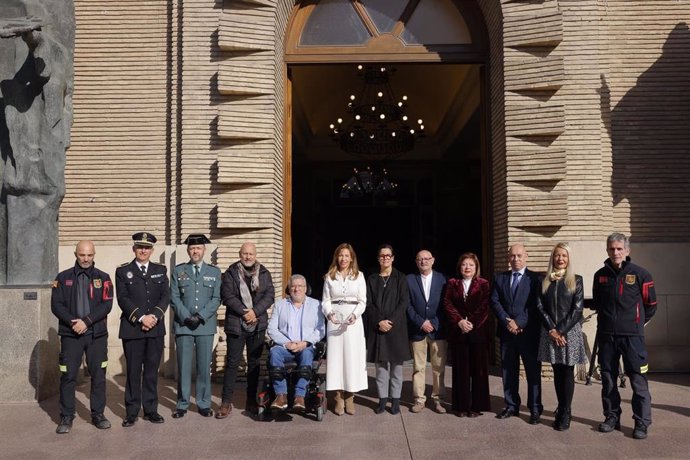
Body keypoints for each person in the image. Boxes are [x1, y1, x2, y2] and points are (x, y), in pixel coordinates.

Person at [593, 233, 657, 440]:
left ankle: (641, 422)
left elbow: (651, 305)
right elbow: (598, 304)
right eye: (612, 249)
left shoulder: (641, 274)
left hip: (632, 338)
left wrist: (636, 324)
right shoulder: (600, 275)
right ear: (607, 250)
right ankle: (612, 417)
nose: (616, 252)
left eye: (620, 248)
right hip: (607, 337)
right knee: (608, 379)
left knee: (638, 381)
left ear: (627, 251)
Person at [51, 240, 113, 434]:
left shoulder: (104, 278)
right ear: (75, 254)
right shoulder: (62, 278)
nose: (86, 259)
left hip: (96, 335)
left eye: (89, 255)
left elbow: (107, 305)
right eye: (82, 255)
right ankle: (66, 416)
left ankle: (98, 414)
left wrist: (86, 321)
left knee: (99, 376)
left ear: (94, 254)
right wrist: (73, 322)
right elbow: (57, 305)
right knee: (68, 376)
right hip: (71, 335)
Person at [116, 232, 170, 427]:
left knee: (151, 372)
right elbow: (123, 298)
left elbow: (165, 296)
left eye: (147, 248)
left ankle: (150, 410)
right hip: (133, 329)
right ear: (134, 249)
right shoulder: (123, 271)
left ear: (152, 250)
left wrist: (154, 316)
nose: (143, 250)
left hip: (155, 329)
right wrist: (141, 318)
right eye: (140, 247)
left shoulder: (160, 270)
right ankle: (131, 412)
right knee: (132, 372)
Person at [217, 242, 274, 419]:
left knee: (254, 364)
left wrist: (255, 312)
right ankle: (226, 402)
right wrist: (245, 312)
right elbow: (227, 296)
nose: (248, 256)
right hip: (236, 324)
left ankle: (251, 400)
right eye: (245, 253)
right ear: (239, 254)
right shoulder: (231, 272)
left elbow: (269, 295)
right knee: (232, 364)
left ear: (255, 255)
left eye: (251, 254)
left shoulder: (264, 273)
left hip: (257, 325)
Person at [535, 243, 586, 431]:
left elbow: (577, 309)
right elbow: (539, 306)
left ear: (568, 258)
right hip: (550, 331)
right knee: (557, 371)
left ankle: (566, 411)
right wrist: (552, 329)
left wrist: (561, 330)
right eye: (557, 255)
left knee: (567, 372)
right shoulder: (544, 280)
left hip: (569, 332)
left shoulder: (576, 280)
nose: (560, 259)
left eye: (564, 255)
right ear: (552, 258)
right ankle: (560, 406)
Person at [491, 243, 543, 424]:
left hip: (528, 333)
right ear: (508, 258)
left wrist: (519, 323)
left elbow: (535, 305)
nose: (516, 259)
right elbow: (495, 301)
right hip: (507, 333)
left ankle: (535, 408)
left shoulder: (535, 279)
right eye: (513, 256)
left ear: (526, 256)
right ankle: (511, 405)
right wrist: (507, 321)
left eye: (520, 255)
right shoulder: (500, 278)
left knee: (533, 373)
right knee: (508, 371)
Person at [170, 234, 221, 418]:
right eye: (192, 248)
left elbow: (216, 299)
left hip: (205, 326)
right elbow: (174, 297)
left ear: (204, 250)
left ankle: (203, 403)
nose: (195, 251)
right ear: (188, 250)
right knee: (184, 367)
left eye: (198, 248)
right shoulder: (179, 271)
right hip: (184, 325)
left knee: (203, 367)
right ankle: (182, 404)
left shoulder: (214, 272)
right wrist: (186, 316)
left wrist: (200, 316)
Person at [321, 243, 367, 415]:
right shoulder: (329, 276)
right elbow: (325, 300)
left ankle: (350, 396)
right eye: (341, 255)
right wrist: (329, 314)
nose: (343, 259)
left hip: (353, 321)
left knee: (351, 358)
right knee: (336, 359)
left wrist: (355, 315)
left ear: (352, 258)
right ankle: (338, 397)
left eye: (347, 256)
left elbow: (363, 301)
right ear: (336, 257)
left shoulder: (359, 276)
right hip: (335, 319)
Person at [443, 252, 491, 417]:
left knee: (477, 371)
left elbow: (485, 306)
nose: (467, 267)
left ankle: (476, 406)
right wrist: (459, 321)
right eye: (464, 264)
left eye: (471, 264)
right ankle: (461, 406)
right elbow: (447, 303)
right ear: (460, 267)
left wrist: (471, 323)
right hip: (459, 333)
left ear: (476, 267)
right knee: (460, 371)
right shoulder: (452, 283)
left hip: (477, 333)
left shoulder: (483, 283)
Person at [267, 274, 325, 411]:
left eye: (300, 286)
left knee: (306, 354)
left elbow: (320, 329)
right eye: (293, 286)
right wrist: (287, 343)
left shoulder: (316, 305)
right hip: (285, 347)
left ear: (306, 289)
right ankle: (281, 396)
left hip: (305, 347)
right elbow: (272, 328)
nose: (296, 289)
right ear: (289, 288)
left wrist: (305, 342)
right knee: (274, 352)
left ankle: (300, 396)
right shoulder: (280, 305)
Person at [366, 244, 411, 415]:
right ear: (378, 259)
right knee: (381, 369)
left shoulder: (401, 278)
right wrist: (379, 321)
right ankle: (383, 400)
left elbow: (404, 302)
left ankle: (396, 400)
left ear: (393, 258)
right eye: (382, 256)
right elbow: (368, 304)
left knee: (396, 369)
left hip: (396, 328)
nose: (385, 258)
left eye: (388, 255)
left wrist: (390, 321)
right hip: (378, 329)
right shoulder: (372, 279)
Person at [406, 249, 448, 414]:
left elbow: (446, 304)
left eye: (426, 258)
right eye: (420, 259)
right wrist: (421, 322)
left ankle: (438, 400)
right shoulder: (409, 280)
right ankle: (419, 400)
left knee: (439, 367)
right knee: (418, 367)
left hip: (438, 331)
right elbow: (407, 305)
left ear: (433, 260)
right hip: (418, 330)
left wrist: (434, 323)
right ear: (416, 262)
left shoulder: (443, 279)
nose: (423, 261)